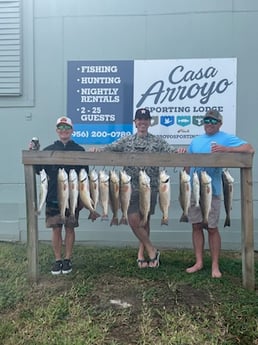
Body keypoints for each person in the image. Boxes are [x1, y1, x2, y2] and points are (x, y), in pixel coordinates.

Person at [101, 108, 185, 268]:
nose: (142, 122)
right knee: (133, 219)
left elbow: (172, 152)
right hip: (129, 188)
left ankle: (142, 253)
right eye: (139, 119)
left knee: (145, 220)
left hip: (150, 187)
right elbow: (109, 148)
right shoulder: (126, 141)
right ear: (135, 122)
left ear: (149, 122)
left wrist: (179, 151)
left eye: (145, 119)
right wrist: (97, 150)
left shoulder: (157, 141)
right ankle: (151, 249)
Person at [186, 109, 254, 278]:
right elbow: (187, 168)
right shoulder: (195, 141)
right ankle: (199, 261)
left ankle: (215, 265)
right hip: (194, 190)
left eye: (213, 121)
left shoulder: (225, 137)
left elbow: (249, 149)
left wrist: (226, 149)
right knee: (196, 226)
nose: (209, 123)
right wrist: (183, 157)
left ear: (219, 124)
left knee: (212, 227)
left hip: (212, 190)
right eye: (207, 120)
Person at [36, 116, 88, 275]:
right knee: (56, 229)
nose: (64, 131)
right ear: (57, 131)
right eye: (61, 128)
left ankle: (68, 258)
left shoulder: (79, 150)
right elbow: (37, 170)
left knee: (70, 228)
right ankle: (58, 259)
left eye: (67, 128)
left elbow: (85, 176)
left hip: (72, 197)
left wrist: (83, 199)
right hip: (52, 197)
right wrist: (33, 152)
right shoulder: (48, 150)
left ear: (72, 130)